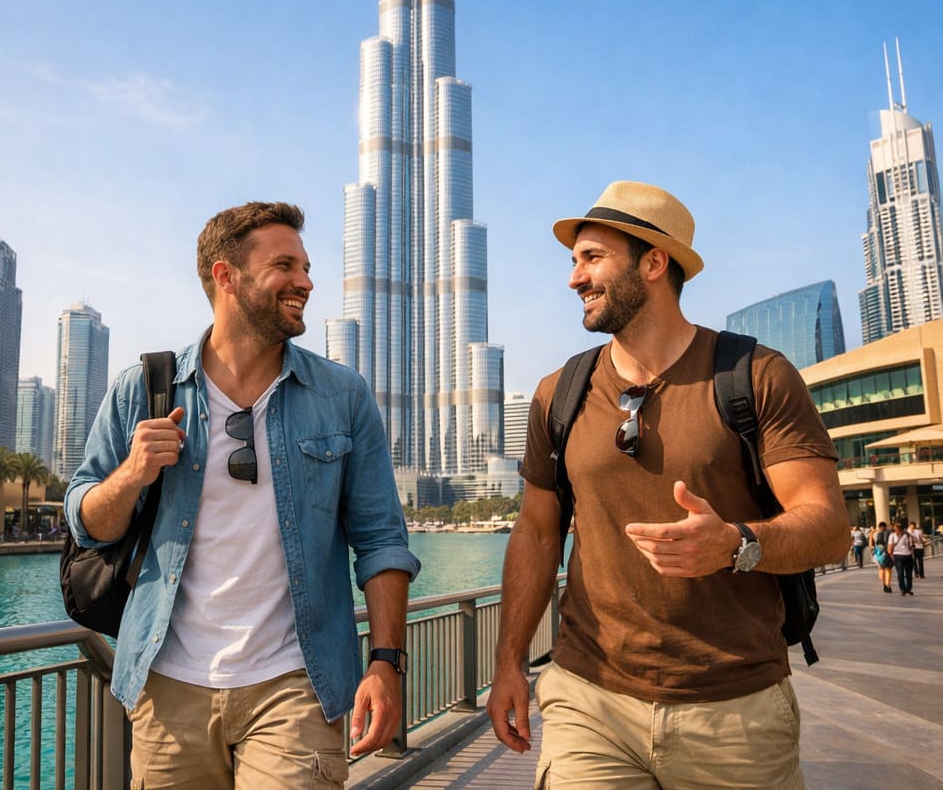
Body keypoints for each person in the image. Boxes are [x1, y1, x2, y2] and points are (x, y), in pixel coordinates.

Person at [486, 181, 851, 789]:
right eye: (573, 261)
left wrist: (736, 543)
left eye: (592, 258)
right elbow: (537, 529)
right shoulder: (559, 395)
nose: (573, 279)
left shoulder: (755, 376)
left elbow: (829, 525)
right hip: (588, 700)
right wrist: (507, 664)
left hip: (735, 710)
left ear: (654, 262)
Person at [64, 201, 420, 790]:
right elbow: (87, 523)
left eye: (306, 267)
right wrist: (131, 475)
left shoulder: (342, 396)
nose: (305, 282)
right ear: (226, 276)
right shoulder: (144, 388)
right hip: (167, 687)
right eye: (285, 265)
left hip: (296, 686)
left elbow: (381, 539)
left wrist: (386, 664)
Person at [888, 520, 915, 595]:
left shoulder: (893, 535)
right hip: (905, 556)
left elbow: (889, 548)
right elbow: (911, 547)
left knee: (902, 573)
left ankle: (904, 589)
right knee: (906, 574)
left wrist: (891, 555)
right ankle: (907, 589)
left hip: (900, 556)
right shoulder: (907, 535)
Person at [873, 521, 893, 593]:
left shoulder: (875, 534)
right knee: (888, 570)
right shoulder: (890, 533)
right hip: (887, 553)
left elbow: (871, 544)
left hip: (878, 554)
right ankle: (888, 585)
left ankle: (884, 584)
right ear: (885, 526)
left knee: (881, 570)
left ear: (879, 527)